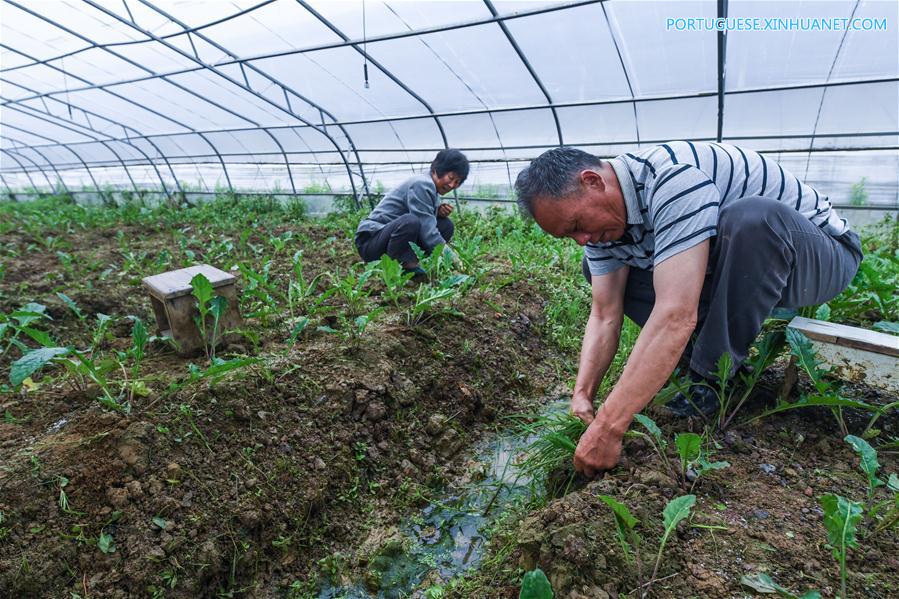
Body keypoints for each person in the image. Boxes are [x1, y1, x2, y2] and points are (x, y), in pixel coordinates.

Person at [514, 141, 862, 477]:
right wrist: (583, 394)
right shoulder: (604, 227)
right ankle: (704, 360)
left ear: (593, 182)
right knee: (599, 273)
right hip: (734, 267)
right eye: (569, 236)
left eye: (576, 226)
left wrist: (609, 426)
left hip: (818, 253)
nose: (582, 240)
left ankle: (709, 378)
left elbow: (676, 314)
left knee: (752, 218)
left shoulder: (672, 177)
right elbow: (605, 314)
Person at [355, 149, 469, 274]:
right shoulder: (422, 184)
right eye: (451, 178)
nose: (452, 185)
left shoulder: (432, 188)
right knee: (410, 221)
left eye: (457, 182)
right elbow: (427, 230)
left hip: (387, 239)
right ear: (438, 169)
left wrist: (437, 212)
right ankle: (402, 267)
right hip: (370, 242)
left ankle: (409, 261)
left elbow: (423, 216)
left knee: (445, 225)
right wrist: (453, 259)